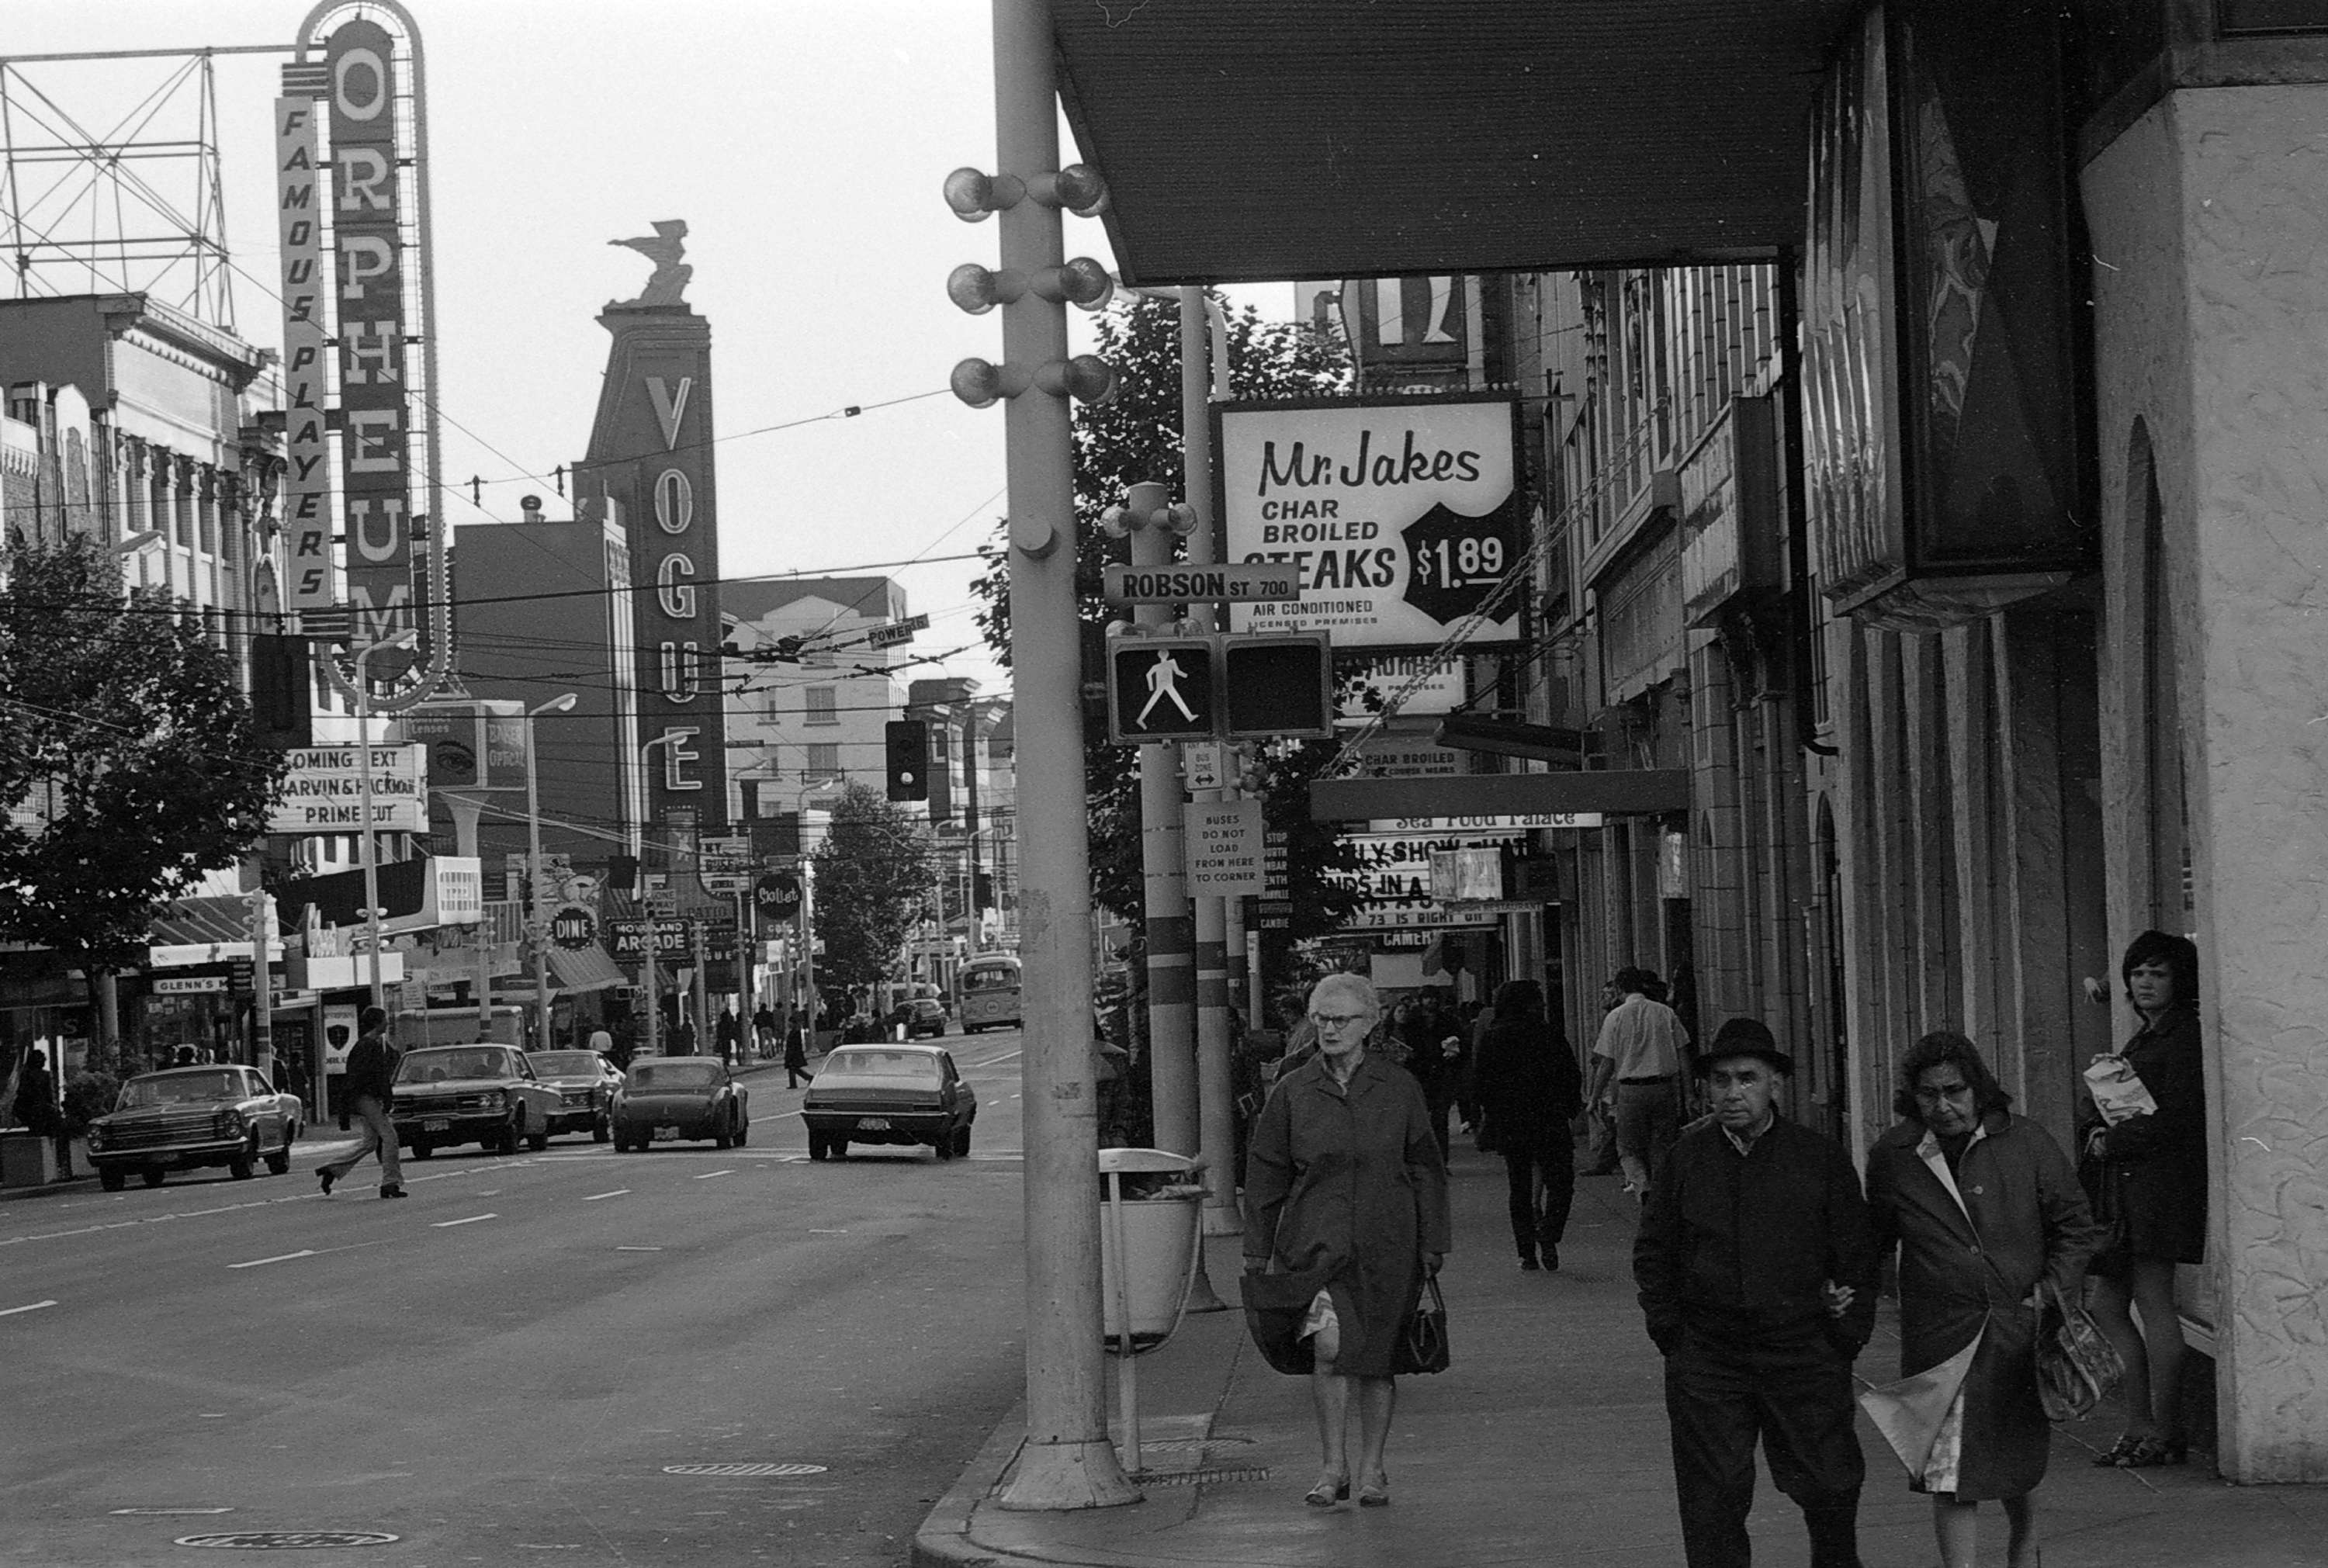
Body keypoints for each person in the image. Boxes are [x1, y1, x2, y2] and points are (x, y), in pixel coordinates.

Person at [1634, 1016, 1877, 1568]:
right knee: (1712, 1501)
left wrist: (1845, 1332)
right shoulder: (1686, 1158)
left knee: (1830, 1486)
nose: (1733, 1092)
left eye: (1748, 1077)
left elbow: (1857, 1253)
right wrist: (1671, 1329)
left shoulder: (1818, 1158)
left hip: (1802, 1350)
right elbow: (1654, 1250)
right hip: (1710, 1356)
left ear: (1775, 1083)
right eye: (1721, 1079)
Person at [1865, 1031, 2108, 1568]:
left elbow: (2075, 1223)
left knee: (2012, 1452)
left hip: (2017, 1327)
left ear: (1978, 1089)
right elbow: (1873, 1239)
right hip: (1940, 1338)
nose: (1943, 1105)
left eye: (1954, 1090)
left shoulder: (2027, 1142)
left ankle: (2026, 1538)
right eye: (1929, 1094)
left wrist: (2050, 1291)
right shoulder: (1895, 1154)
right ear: (1914, 1096)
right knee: (1949, 1471)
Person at [1243, 972, 1450, 1511]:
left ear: (1370, 1023)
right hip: (1315, 1242)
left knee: (1377, 1359)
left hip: (1389, 1242)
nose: (1329, 1029)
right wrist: (1256, 1248)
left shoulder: (1399, 1087)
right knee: (1331, 1347)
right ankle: (1332, 1465)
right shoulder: (1293, 1089)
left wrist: (1434, 1240)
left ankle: (1373, 1468)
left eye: (1341, 1019)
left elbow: (1426, 1164)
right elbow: (1267, 1170)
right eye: (1321, 1018)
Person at [2080, 929, 2207, 1469]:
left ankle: (2165, 1430)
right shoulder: (2144, 1037)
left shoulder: (2182, 1038)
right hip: (2125, 1194)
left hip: (2159, 1192)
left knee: (2153, 1301)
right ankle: (2141, 1424)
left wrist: (2114, 1139)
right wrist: (2094, 1128)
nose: (2145, 982)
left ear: (2180, 979)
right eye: (2137, 973)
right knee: (2105, 1303)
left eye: (2157, 972)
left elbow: (2178, 1119)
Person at [1470, 978, 1583, 1271]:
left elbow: (1481, 1082)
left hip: (1512, 1123)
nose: (1543, 1004)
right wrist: (1571, 1108)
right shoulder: (1548, 1034)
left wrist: (1492, 1114)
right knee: (1561, 1182)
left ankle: (1526, 1252)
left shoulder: (1494, 1037)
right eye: (1538, 999)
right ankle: (1548, 1231)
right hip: (1549, 1119)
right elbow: (1570, 1074)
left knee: (1519, 1187)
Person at [1587, 965, 1692, 1200]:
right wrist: (1689, 1095)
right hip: (1664, 1087)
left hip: (1631, 1090)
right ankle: (1662, 1191)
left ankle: (1642, 1185)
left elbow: (1607, 1063)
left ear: (1620, 988)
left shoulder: (1615, 1017)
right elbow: (1683, 1057)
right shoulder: (1665, 1013)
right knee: (1663, 1144)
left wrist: (1594, 1097)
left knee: (1628, 1146)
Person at [317, 1006, 405, 1199]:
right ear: (377, 1022)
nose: (387, 1022)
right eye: (384, 1019)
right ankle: (390, 1183)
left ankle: (332, 1170)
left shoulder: (368, 1045)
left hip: (366, 1099)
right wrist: (384, 1098)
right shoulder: (368, 1046)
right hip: (367, 1099)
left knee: (370, 1143)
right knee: (390, 1138)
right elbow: (364, 1078)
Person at [1396, 988, 1464, 1161]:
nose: (1431, 1001)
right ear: (1421, 1000)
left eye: (1434, 998)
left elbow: (1462, 1045)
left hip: (1442, 1074)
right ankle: (1423, 1159)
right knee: (1419, 1120)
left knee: (1440, 1120)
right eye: (1427, 998)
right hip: (1418, 1074)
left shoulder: (1449, 1021)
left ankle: (1441, 1160)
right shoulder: (1412, 1022)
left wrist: (1454, 1056)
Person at [783, 1018, 812, 1088]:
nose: (789, 1024)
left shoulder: (796, 1033)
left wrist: (791, 1054)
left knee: (792, 1068)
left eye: (790, 1023)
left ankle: (794, 1084)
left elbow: (795, 1044)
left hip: (794, 1053)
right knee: (795, 1069)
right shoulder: (793, 1032)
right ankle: (809, 1078)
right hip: (793, 1053)